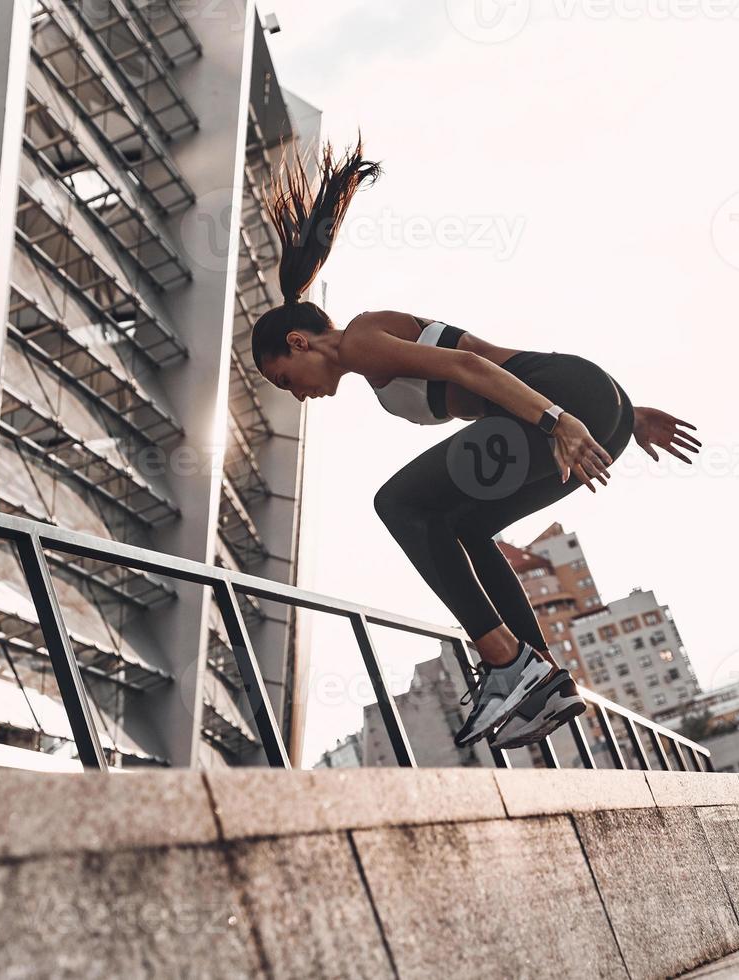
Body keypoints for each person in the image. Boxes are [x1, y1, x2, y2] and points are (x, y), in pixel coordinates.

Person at [250, 135, 702, 752]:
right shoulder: (372, 362)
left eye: (285, 380)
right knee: (462, 526)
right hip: (586, 401)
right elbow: (489, 376)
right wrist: (623, 415)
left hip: (560, 408)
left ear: (300, 343)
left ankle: (506, 663)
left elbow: (474, 370)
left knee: (398, 506)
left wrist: (560, 422)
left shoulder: (359, 340)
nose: (297, 395)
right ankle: (538, 675)